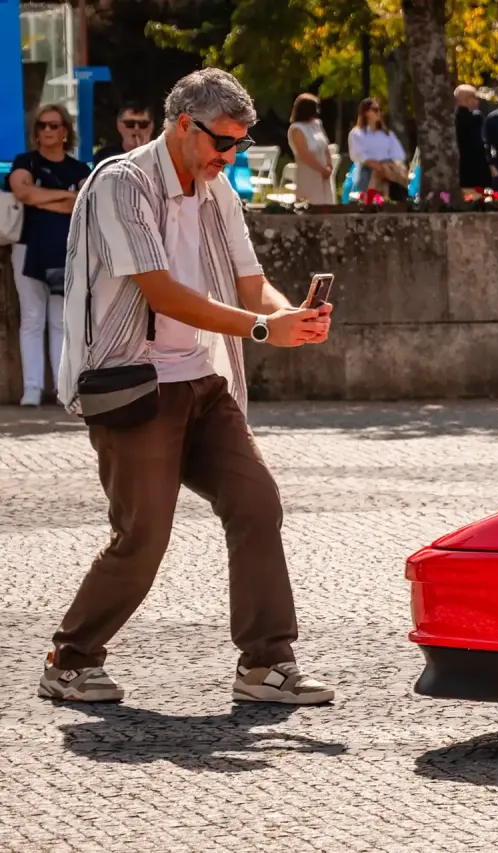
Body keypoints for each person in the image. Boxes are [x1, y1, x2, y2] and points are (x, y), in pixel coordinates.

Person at [42, 68, 336, 705]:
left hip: (202, 381)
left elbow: (251, 282)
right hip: (133, 385)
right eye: (223, 142)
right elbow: (163, 292)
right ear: (183, 125)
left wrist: (290, 315)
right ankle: (70, 659)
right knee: (143, 538)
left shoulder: (216, 189)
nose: (229, 157)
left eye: (239, 145)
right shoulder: (121, 183)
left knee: (256, 502)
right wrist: (265, 329)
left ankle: (265, 663)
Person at [6, 104, 91, 407]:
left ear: (65, 130)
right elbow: (23, 193)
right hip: (27, 248)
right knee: (31, 318)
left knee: (59, 320)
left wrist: (41, 198)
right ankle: (31, 388)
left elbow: (81, 203)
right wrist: (65, 195)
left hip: (65, 251)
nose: (47, 131)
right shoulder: (25, 161)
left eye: (54, 125)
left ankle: (59, 387)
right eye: (42, 125)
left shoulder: (79, 169)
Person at [348, 97, 409, 201]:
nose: (379, 113)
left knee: (400, 171)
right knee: (377, 173)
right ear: (366, 112)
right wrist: (381, 167)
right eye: (375, 110)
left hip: (389, 168)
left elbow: (398, 154)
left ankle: (380, 198)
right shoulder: (357, 133)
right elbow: (360, 156)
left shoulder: (387, 134)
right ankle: (372, 199)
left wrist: (395, 166)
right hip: (368, 170)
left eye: (380, 110)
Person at [286, 92, 335, 204]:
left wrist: (329, 166)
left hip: (324, 174)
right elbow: (304, 155)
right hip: (309, 173)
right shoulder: (296, 129)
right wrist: (321, 170)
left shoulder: (317, 124)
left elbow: (325, 146)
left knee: (328, 204)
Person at [93, 102, 155, 167]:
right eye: (130, 124)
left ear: (151, 127)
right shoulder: (104, 156)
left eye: (143, 124)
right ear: (119, 126)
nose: (136, 128)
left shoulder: (159, 154)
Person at [454, 84, 491, 190]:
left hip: (457, 171)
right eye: (476, 98)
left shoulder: (450, 120)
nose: (477, 101)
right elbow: (478, 145)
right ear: (469, 99)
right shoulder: (475, 118)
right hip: (476, 172)